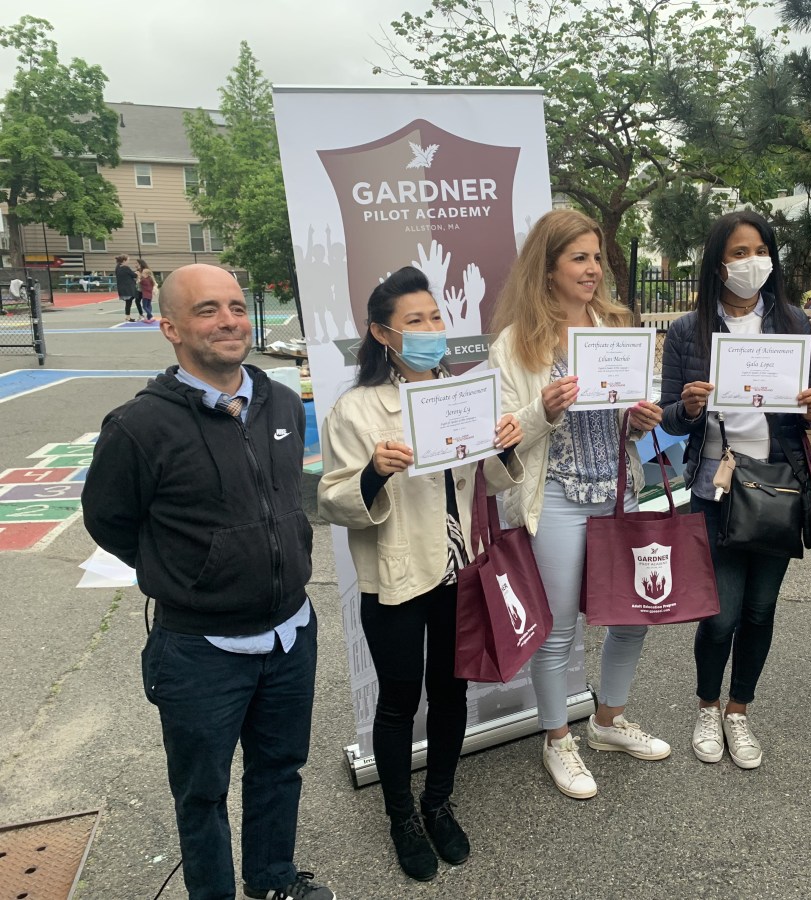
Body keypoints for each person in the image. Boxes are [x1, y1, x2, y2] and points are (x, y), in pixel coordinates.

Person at [81, 264, 333, 900]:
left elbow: (282, 495)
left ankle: (273, 880)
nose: (229, 321)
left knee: (279, 769)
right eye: (207, 311)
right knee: (203, 794)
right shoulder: (138, 427)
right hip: (199, 652)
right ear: (169, 326)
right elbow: (108, 520)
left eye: (236, 306)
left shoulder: (277, 399)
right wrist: (187, 569)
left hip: (288, 636)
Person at [318, 267, 523, 883]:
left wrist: (505, 446)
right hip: (398, 574)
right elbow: (332, 500)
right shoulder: (356, 410)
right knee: (400, 701)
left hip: (459, 570)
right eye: (415, 321)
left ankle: (438, 802)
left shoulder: (462, 392)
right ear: (383, 334)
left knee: (453, 691)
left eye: (436, 317)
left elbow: (482, 481)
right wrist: (375, 472)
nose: (432, 329)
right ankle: (401, 816)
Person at [487, 208, 669, 800]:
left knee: (632, 615)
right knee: (558, 628)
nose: (593, 269)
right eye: (579, 258)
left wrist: (642, 422)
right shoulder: (516, 344)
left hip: (619, 490)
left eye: (596, 257)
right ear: (548, 266)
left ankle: (609, 721)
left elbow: (635, 416)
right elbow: (505, 433)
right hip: (559, 496)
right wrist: (544, 410)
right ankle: (557, 736)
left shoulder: (615, 325)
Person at [658, 210, 811, 769]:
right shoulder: (689, 330)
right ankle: (707, 705)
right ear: (716, 263)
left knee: (759, 610)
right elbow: (669, 417)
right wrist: (687, 405)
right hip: (718, 485)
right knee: (722, 613)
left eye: (758, 250)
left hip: (779, 484)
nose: (749, 261)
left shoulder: (793, 322)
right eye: (736, 252)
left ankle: (739, 710)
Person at [115, 254, 139, 321]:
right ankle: (128, 317)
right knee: (129, 302)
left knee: (128, 302)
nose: (129, 261)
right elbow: (134, 275)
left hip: (122, 287)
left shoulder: (117, 267)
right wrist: (137, 273)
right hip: (128, 288)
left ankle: (127, 316)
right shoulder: (125, 268)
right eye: (128, 260)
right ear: (124, 260)